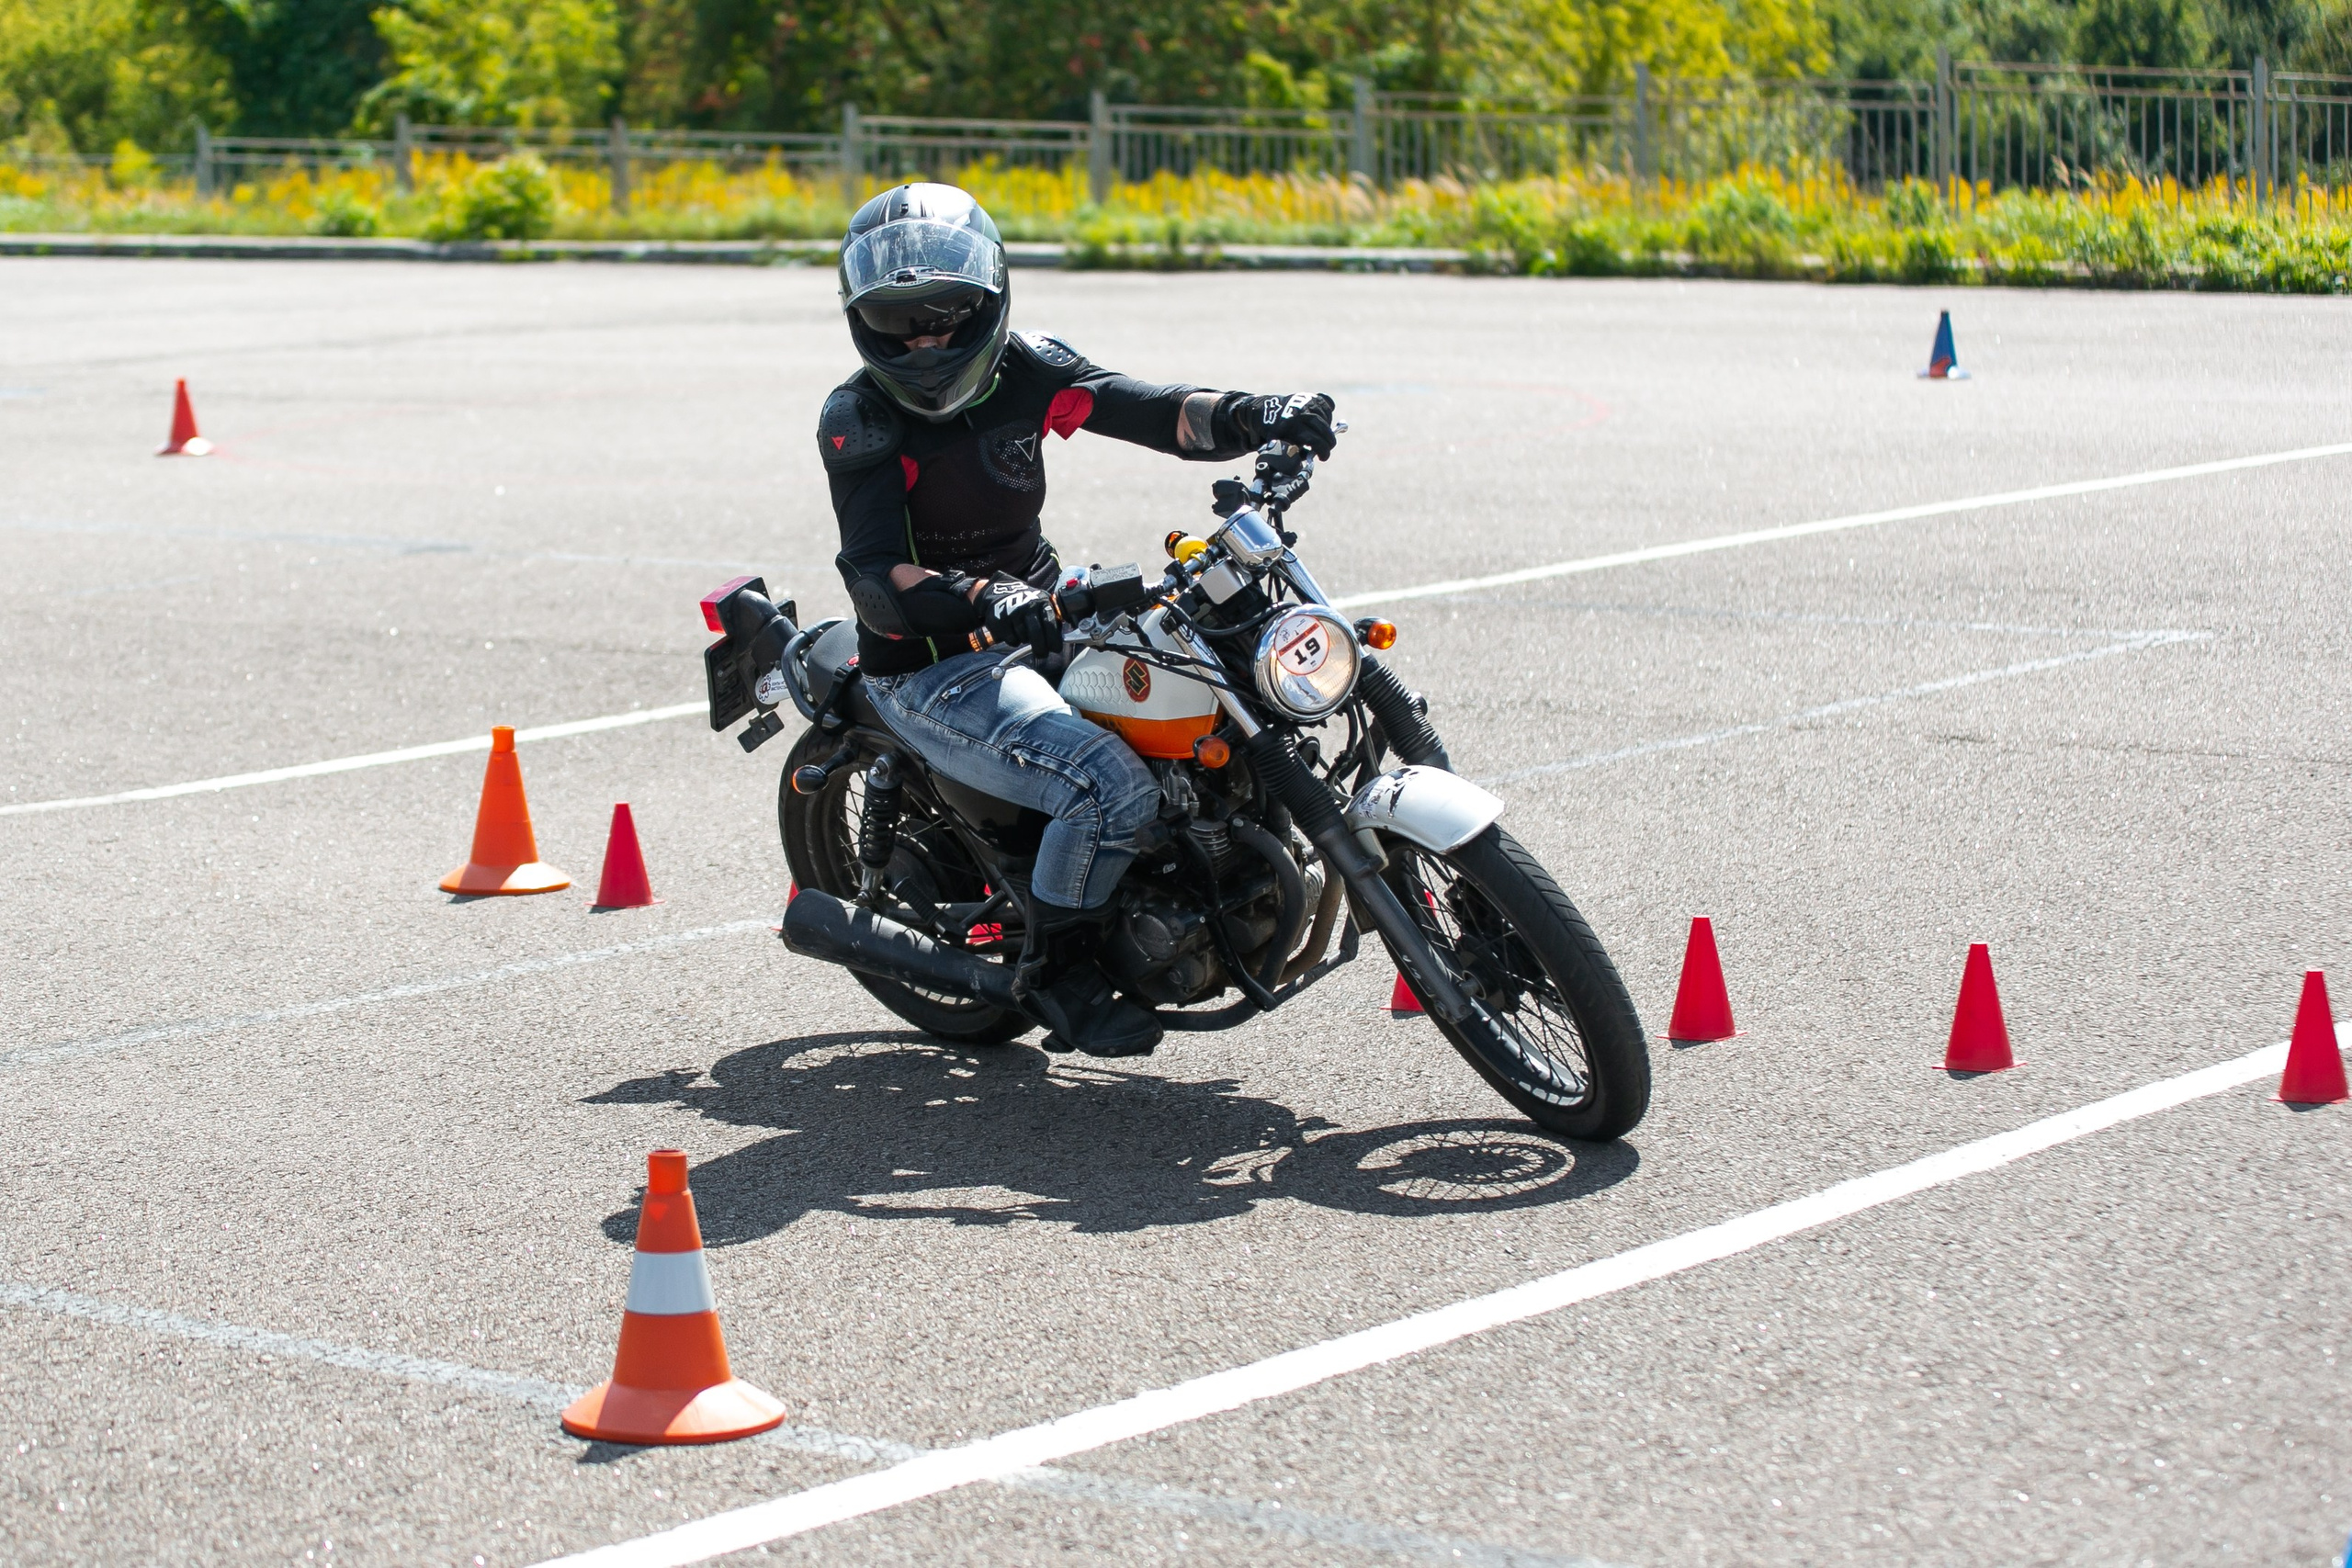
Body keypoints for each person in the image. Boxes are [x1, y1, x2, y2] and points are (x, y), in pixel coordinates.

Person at [818, 181, 1338, 1058]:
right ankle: (1058, 972)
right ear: (862, 318)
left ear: (989, 298)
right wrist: (988, 597)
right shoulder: (859, 418)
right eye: (899, 321)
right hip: (934, 664)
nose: (926, 339)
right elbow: (876, 576)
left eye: (944, 314)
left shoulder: (1027, 368)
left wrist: (1259, 414)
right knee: (1107, 784)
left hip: (1047, 612)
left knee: (1220, 683)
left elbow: (1158, 411)